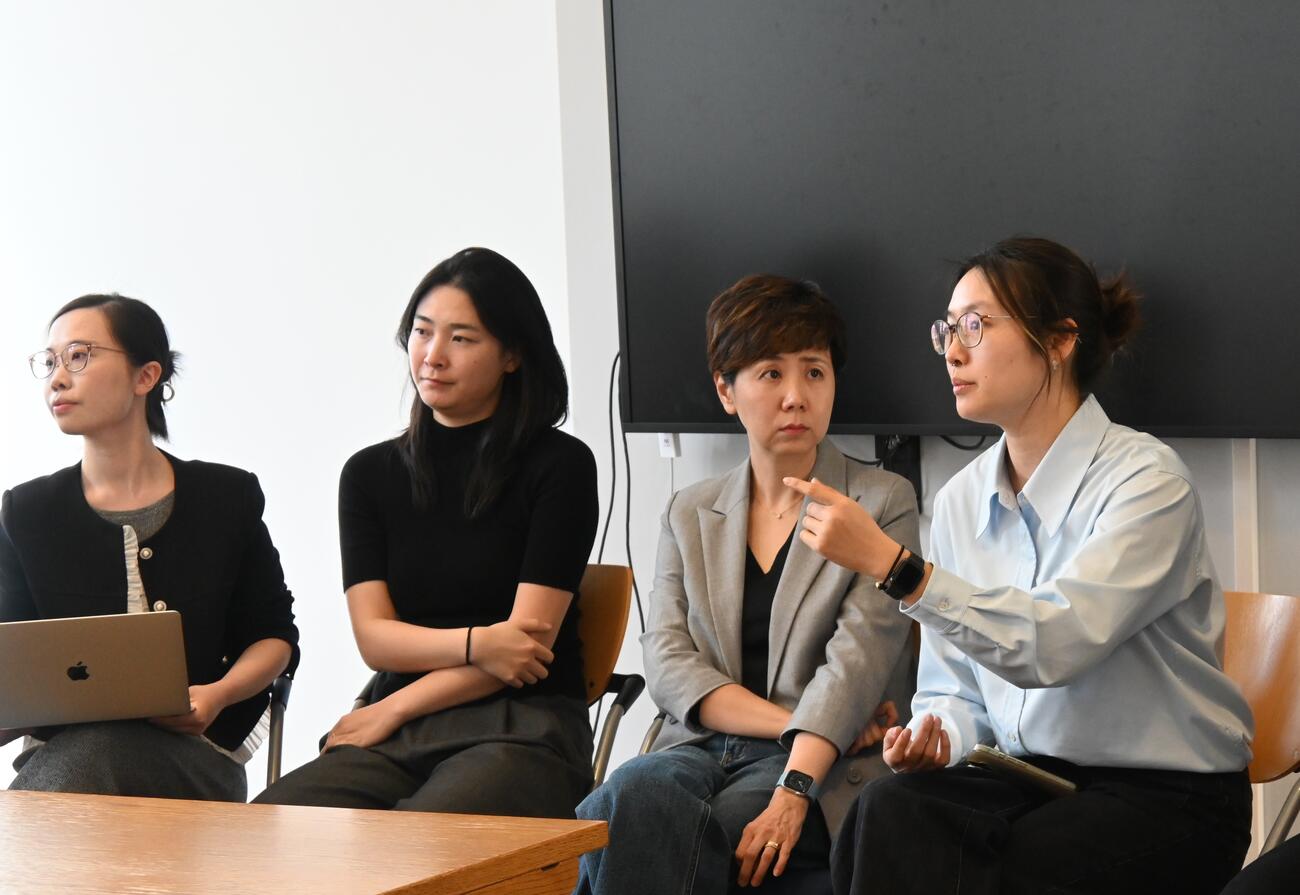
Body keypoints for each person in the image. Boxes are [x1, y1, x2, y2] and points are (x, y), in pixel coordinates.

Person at [786, 237, 1255, 894]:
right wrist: (938, 732)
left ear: (1059, 341)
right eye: (947, 329)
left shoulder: (1147, 483)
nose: (953, 349)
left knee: (979, 871)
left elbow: (1055, 641)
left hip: (1168, 797)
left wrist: (897, 566)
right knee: (880, 813)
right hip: (1030, 778)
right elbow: (954, 688)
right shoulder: (958, 501)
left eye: (976, 325)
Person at [574, 274, 919, 894]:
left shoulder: (880, 501)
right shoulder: (689, 510)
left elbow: (855, 667)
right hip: (701, 747)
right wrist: (790, 717)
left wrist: (794, 782)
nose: (796, 396)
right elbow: (670, 663)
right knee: (630, 790)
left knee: (638, 822)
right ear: (725, 391)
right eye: (770, 374)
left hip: (817, 763)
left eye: (814, 372)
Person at [255, 247, 597, 817]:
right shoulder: (369, 475)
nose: (433, 356)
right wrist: (478, 643)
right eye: (422, 332)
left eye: (462, 339)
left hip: (523, 725)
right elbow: (376, 641)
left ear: (512, 354)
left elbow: (524, 653)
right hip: (401, 724)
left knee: (419, 845)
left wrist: (393, 707)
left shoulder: (560, 465)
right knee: (270, 830)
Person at [0, 294, 299, 802]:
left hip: (195, 759)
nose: (57, 378)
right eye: (50, 362)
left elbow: (274, 636)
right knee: (93, 751)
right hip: (64, 763)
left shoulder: (226, 497)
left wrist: (215, 697)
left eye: (80, 356)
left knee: (98, 754)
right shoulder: (27, 512)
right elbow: (16, 666)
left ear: (146, 377)